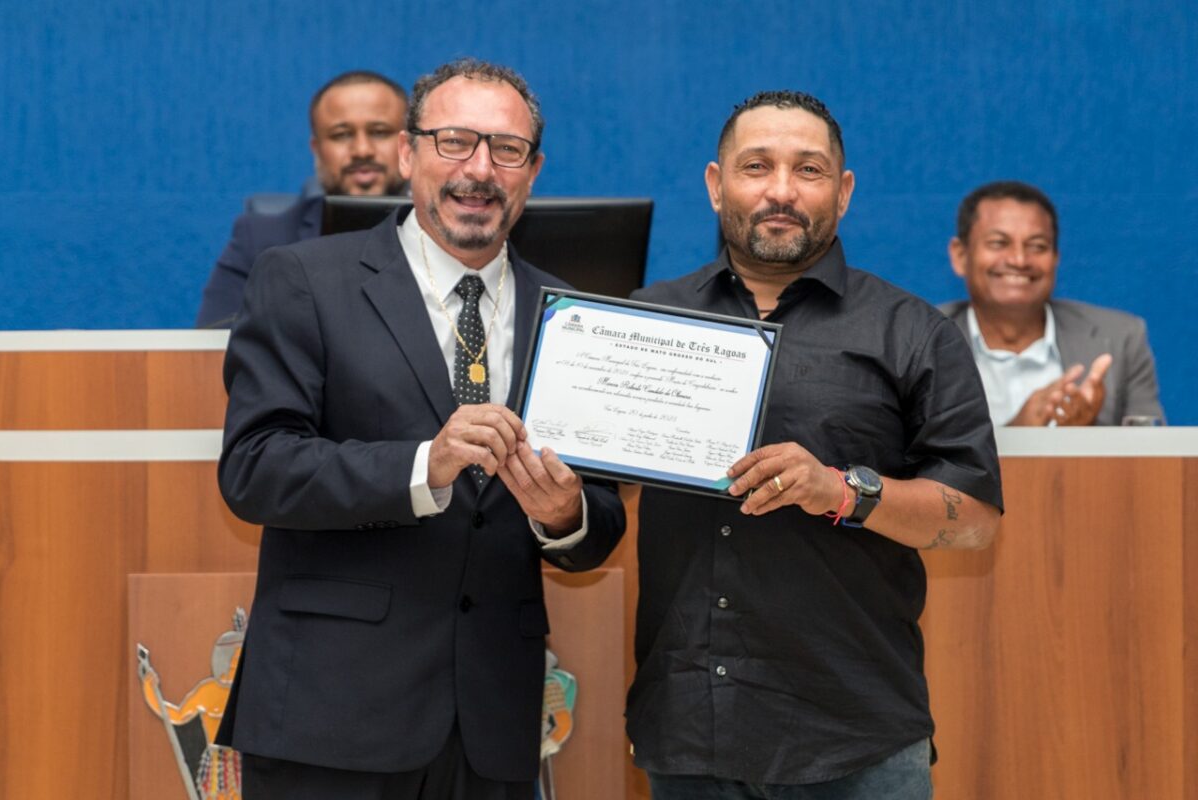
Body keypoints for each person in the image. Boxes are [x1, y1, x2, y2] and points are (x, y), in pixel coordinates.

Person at [214, 58, 625, 800]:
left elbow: (598, 516)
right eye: (454, 141)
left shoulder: (574, 315)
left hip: (492, 725)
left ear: (532, 172)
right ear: (409, 154)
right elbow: (255, 467)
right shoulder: (302, 279)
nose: (479, 169)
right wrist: (422, 466)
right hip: (328, 714)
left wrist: (565, 516)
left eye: (505, 150)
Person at [625, 91, 1004, 799]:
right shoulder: (648, 322)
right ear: (716, 186)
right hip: (688, 732)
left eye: (808, 170)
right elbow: (594, 493)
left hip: (856, 739)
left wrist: (842, 491)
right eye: (756, 166)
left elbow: (977, 521)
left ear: (843, 191)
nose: (780, 191)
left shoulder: (912, 333)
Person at [195, 70, 409, 328]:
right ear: (317, 150)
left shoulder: (447, 231)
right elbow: (212, 344)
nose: (362, 150)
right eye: (341, 135)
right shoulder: (260, 239)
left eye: (379, 132)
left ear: (408, 145)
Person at [940, 181, 1164, 426]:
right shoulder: (919, 342)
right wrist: (1019, 436)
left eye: (1037, 246)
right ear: (960, 255)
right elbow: (909, 459)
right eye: (999, 243)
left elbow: (1156, 455)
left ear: (1055, 258)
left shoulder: (1120, 338)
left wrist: (1089, 431)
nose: (1019, 259)